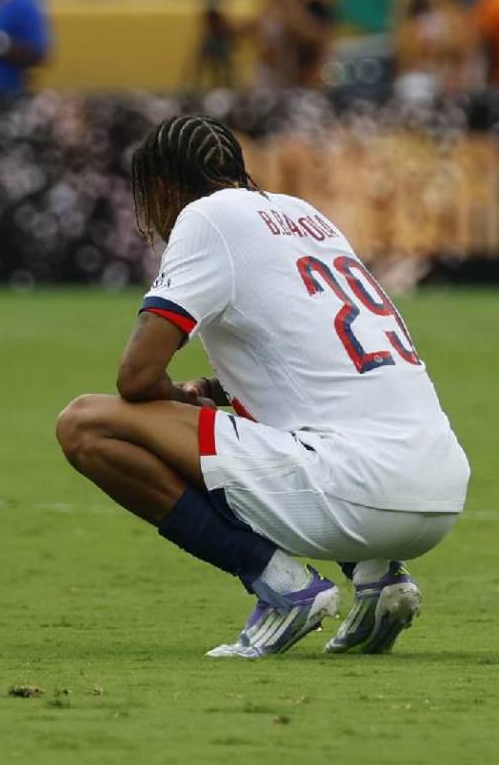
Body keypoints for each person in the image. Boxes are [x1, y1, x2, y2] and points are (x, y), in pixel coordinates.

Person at [54, 114, 471, 657]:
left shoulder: (206, 219)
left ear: (161, 185)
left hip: (358, 492)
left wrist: (178, 401)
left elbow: (136, 377)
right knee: (297, 426)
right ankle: (378, 579)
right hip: (439, 487)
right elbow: (318, 360)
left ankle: (281, 586)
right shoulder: (304, 214)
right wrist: (212, 391)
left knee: (86, 424)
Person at [393, 0, 481, 98]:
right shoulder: (413, 18)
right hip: (418, 89)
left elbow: (465, 53)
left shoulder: (459, 15)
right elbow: (404, 57)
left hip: (452, 90)